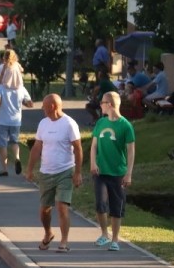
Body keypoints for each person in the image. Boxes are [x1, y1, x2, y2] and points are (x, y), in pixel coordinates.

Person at [24, 94, 83, 253]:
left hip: (65, 170)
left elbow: (78, 148)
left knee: (62, 206)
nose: (42, 108)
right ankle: (48, 233)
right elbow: (37, 147)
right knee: (44, 209)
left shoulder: (69, 124)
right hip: (46, 172)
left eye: (44, 105)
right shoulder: (43, 123)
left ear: (53, 106)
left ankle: (64, 241)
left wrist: (77, 172)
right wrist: (29, 169)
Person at [90, 92, 135, 251]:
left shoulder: (125, 125)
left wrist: (128, 173)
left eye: (102, 102)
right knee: (100, 205)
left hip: (118, 173)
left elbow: (130, 151)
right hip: (101, 172)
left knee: (116, 207)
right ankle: (104, 234)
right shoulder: (100, 123)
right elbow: (94, 146)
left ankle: (115, 239)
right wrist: (93, 163)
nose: (100, 105)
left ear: (109, 104)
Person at [0, 50, 33, 176]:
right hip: (16, 120)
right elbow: (30, 104)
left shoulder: (2, 88)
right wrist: (23, 103)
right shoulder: (21, 89)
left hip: (3, 119)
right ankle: (17, 157)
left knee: (2, 145)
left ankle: (4, 169)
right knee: (14, 142)